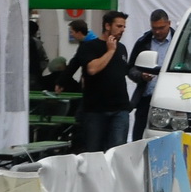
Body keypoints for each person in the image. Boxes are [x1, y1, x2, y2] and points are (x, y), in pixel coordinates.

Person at [68, 10, 132, 153]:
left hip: (119, 108)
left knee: (117, 152)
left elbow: (123, 72)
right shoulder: (89, 47)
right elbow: (92, 69)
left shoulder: (122, 49)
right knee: (94, 152)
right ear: (107, 26)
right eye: (119, 26)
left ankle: (114, 176)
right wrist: (110, 51)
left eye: (124, 27)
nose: (122, 30)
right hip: (96, 110)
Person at [127, 9, 173, 139]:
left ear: (169, 23)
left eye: (161, 28)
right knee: (139, 136)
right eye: (154, 28)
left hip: (170, 98)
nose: (157, 32)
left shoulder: (179, 41)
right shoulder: (143, 42)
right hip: (146, 97)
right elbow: (131, 68)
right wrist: (141, 76)